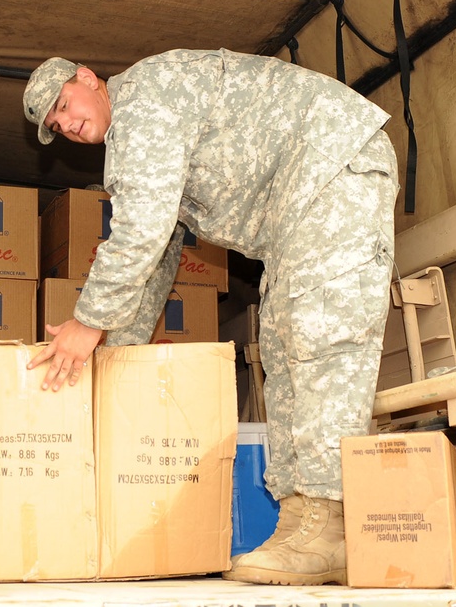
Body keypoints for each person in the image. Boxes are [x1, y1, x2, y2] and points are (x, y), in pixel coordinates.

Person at [22, 49, 397, 586]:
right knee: (285, 346)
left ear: (88, 78)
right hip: (299, 203)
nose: (70, 125)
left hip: (333, 168)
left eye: (65, 105)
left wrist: (87, 324)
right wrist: (114, 358)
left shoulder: (145, 100)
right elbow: (158, 258)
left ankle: (328, 521)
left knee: (320, 342)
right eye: (58, 127)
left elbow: (140, 233)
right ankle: (302, 520)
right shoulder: (138, 133)